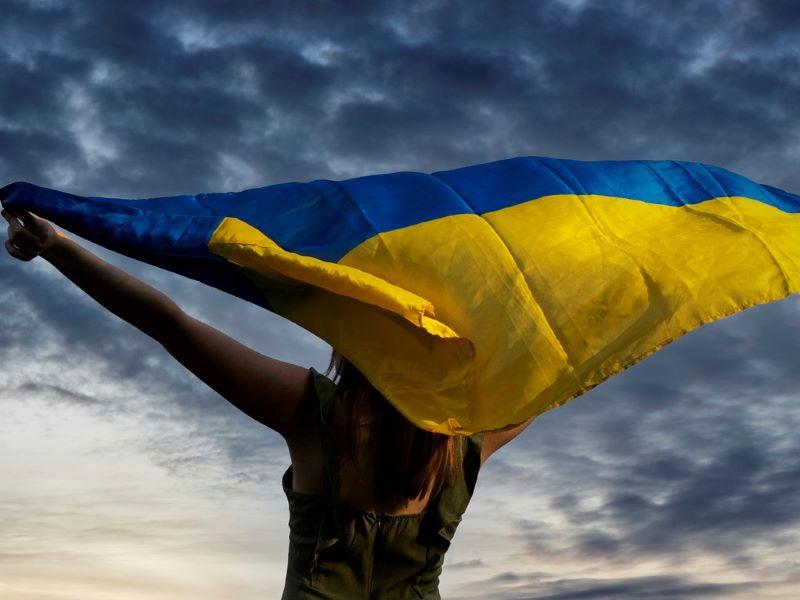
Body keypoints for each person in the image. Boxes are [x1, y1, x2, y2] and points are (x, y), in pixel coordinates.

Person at [2, 206, 536, 598]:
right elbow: (569, 372)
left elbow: (170, 324)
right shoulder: (468, 441)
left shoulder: (314, 412)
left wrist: (59, 247)